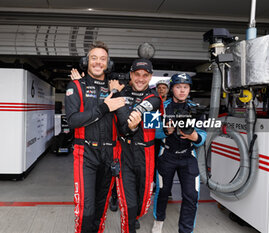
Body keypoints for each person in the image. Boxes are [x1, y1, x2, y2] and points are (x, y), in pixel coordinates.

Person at [65, 41, 125, 233]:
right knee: (86, 210)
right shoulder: (76, 85)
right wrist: (104, 108)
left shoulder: (115, 88)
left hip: (110, 154)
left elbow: (124, 123)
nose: (98, 62)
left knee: (100, 209)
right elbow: (73, 120)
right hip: (85, 153)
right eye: (94, 58)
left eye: (102, 59)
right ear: (86, 61)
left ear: (108, 64)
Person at [112, 58, 163, 233]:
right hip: (124, 152)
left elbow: (129, 121)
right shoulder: (120, 93)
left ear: (150, 77)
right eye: (137, 74)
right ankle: (128, 222)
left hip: (146, 153)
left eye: (145, 75)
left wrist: (120, 101)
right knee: (128, 204)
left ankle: (133, 218)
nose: (141, 79)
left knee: (142, 204)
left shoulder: (154, 98)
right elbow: (123, 125)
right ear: (131, 75)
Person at [152, 73, 207, 233]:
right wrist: (165, 131)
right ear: (172, 89)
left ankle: (186, 229)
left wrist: (194, 136)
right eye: (178, 87)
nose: (182, 90)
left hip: (188, 156)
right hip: (166, 155)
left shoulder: (196, 108)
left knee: (192, 195)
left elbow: (203, 136)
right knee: (162, 191)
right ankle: (159, 220)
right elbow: (152, 132)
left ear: (189, 89)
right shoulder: (162, 107)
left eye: (185, 87)